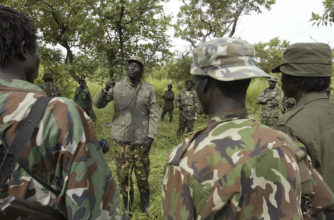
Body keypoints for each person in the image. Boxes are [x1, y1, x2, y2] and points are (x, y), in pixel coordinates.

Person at [0, 6, 119, 220]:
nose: (38, 58)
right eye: (36, 50)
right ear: (25, 49)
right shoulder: (62, 114)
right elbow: (97, 211)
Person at [162, 37, 334, 219]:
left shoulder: (184, 161)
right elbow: (323, 204)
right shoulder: (288, 145)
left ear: (204, 84)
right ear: (247, 81)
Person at [93, 56, 158, 217]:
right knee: (123, 176)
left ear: (142, 70)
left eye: (136, 65)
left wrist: (150, 136)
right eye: (130, 64)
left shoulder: (148, 89)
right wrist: (105, 89)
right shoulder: (117, 87)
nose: (132, 67)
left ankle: (145, 204)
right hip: (121, 140)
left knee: (142, 175)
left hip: (142, 139)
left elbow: (154, 114)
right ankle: (127, 209)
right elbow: (97, 104)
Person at [274, 43, 334, 192]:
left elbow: (285, 189)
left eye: (284, 74)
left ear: (294, 80)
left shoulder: (288, 126)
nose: (281, 80)